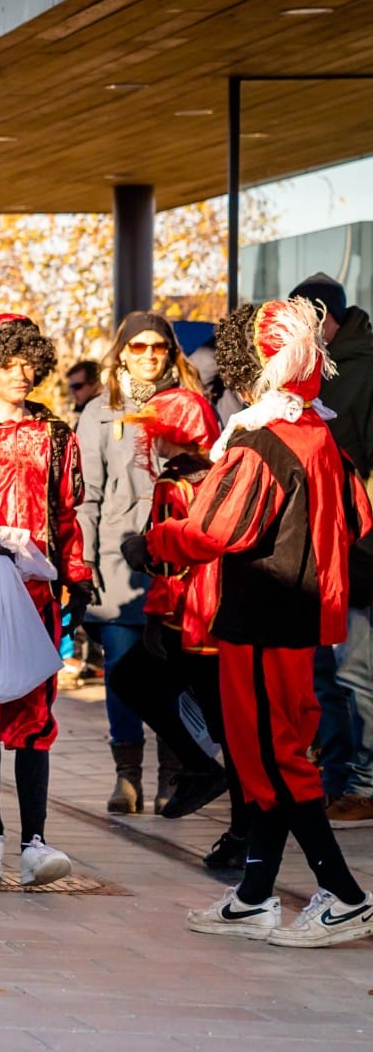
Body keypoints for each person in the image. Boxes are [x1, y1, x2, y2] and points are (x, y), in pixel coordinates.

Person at [129, 299, 373, 946]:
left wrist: (155, 543)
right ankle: (256, 894)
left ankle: (344, 895)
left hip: (263, 617)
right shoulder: (320, 432)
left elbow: (215, 529)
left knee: (272, 754)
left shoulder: (263, 438)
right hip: (303, 618)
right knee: (264, 753)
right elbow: (358, 519)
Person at [0, 315, 94, 886]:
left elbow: (65, 516)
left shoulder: (57, 435)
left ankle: (34, 838)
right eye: (9, 363)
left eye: (30, 362)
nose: (23, 373)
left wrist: (77, 577)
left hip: (38, 595)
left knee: (35, 717)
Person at [76, 313, 216, 815]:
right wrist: (85, 562)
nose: (149, 355)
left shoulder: (196, 404)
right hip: (118, 558)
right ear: (122, 351)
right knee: (121, 669)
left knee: (171, 672)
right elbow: (86, 496)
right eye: (137, 346)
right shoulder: (98, 412)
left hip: (179, 556)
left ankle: (174, 774)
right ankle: (126, 774)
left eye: (159, 346)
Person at [289, 273, 373, 827]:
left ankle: (363, 784)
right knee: (328, 675)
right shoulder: (323, 370)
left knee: (355, 672)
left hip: (361, 551)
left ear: (323, 317)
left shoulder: (361, 371)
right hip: (325, 549)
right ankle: (339, 778)